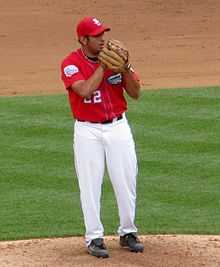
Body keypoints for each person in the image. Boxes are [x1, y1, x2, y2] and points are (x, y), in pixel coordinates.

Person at [60, 16, 144, 258]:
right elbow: (84, 90)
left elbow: (136, 93)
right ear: (83, 39)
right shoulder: (71, 64)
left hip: (118, 126)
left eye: (103, 34)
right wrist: (104, 67)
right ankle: (94, 237)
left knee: (126, 180)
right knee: (90, 184)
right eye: (96, 36)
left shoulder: (116, 57)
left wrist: (126, 67)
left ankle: (128, 232)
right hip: (88, 131)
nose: (102, 39)